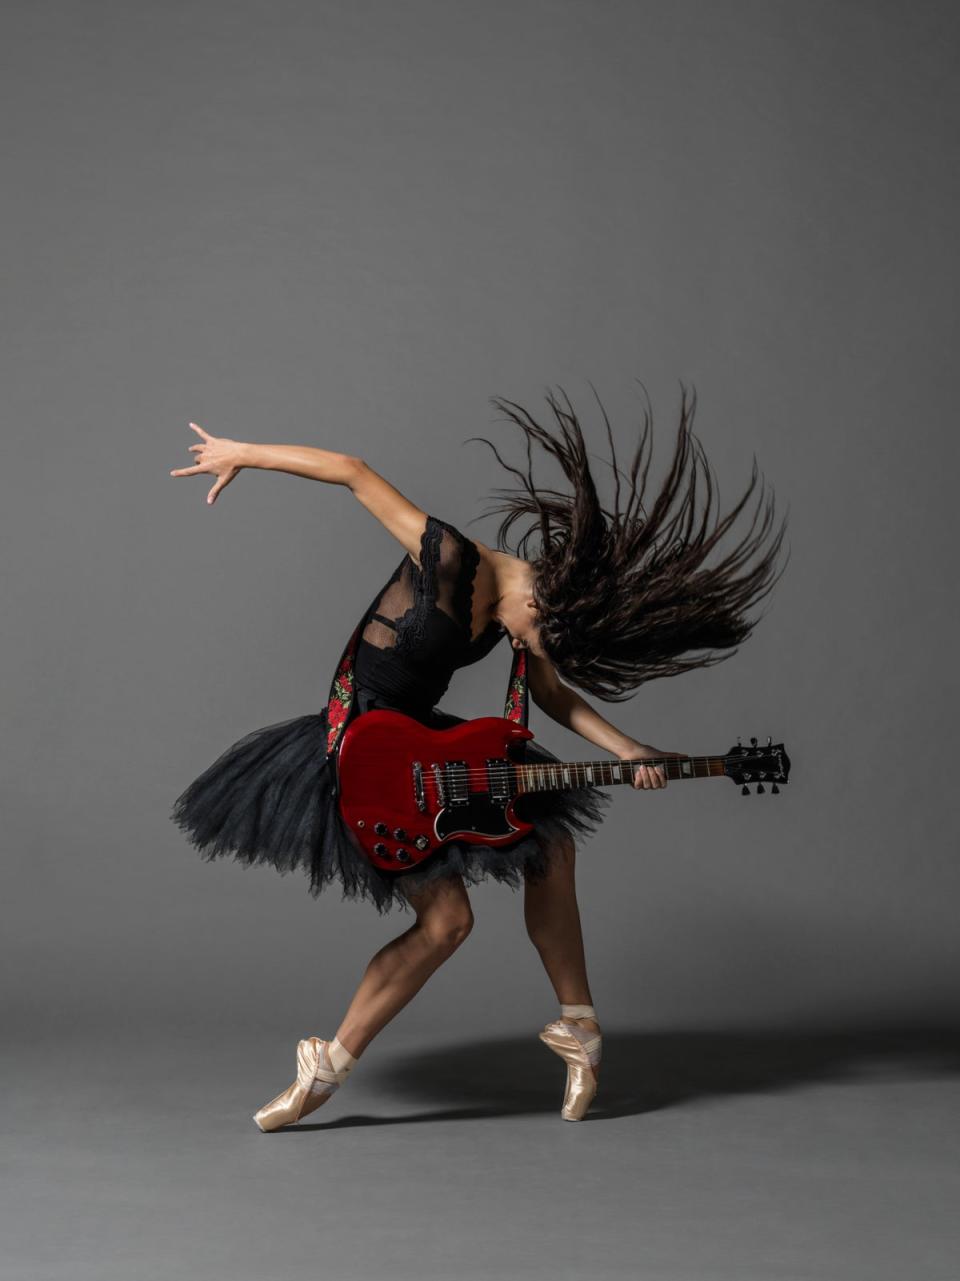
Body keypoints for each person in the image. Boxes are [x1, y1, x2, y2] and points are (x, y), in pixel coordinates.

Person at [169, 383, 787, 1129]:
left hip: (428, 746)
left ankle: (580, 1029)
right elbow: (353, 470)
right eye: (540, 633)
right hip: (364, 747)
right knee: (448, 923)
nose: (533, 647)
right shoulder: (449, 556)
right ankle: (324, 1069)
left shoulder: (521, 617)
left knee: (551, 843)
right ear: (540, 592)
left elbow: (555, 697)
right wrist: (244, 454)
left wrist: (634, 750)